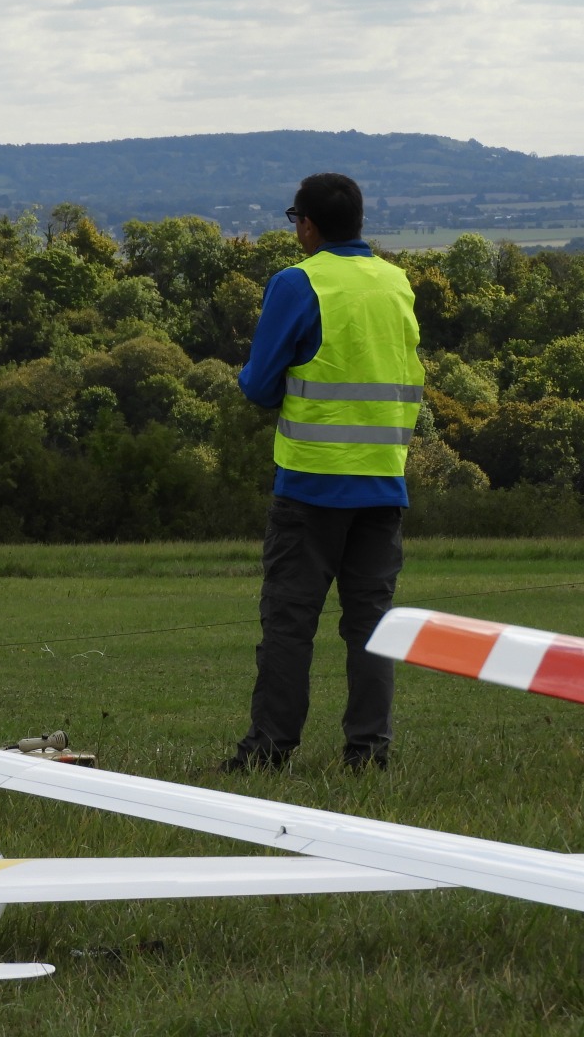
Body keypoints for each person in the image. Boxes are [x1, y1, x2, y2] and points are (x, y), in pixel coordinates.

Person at [221, 173, 423, 773]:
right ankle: (369, 754)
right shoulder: (396, 282)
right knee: (371, 627)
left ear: (306, 225)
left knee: (289, 624)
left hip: (311, 484)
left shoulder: (297, 282)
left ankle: (269, 751)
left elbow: (260, 386)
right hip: (383, 481)